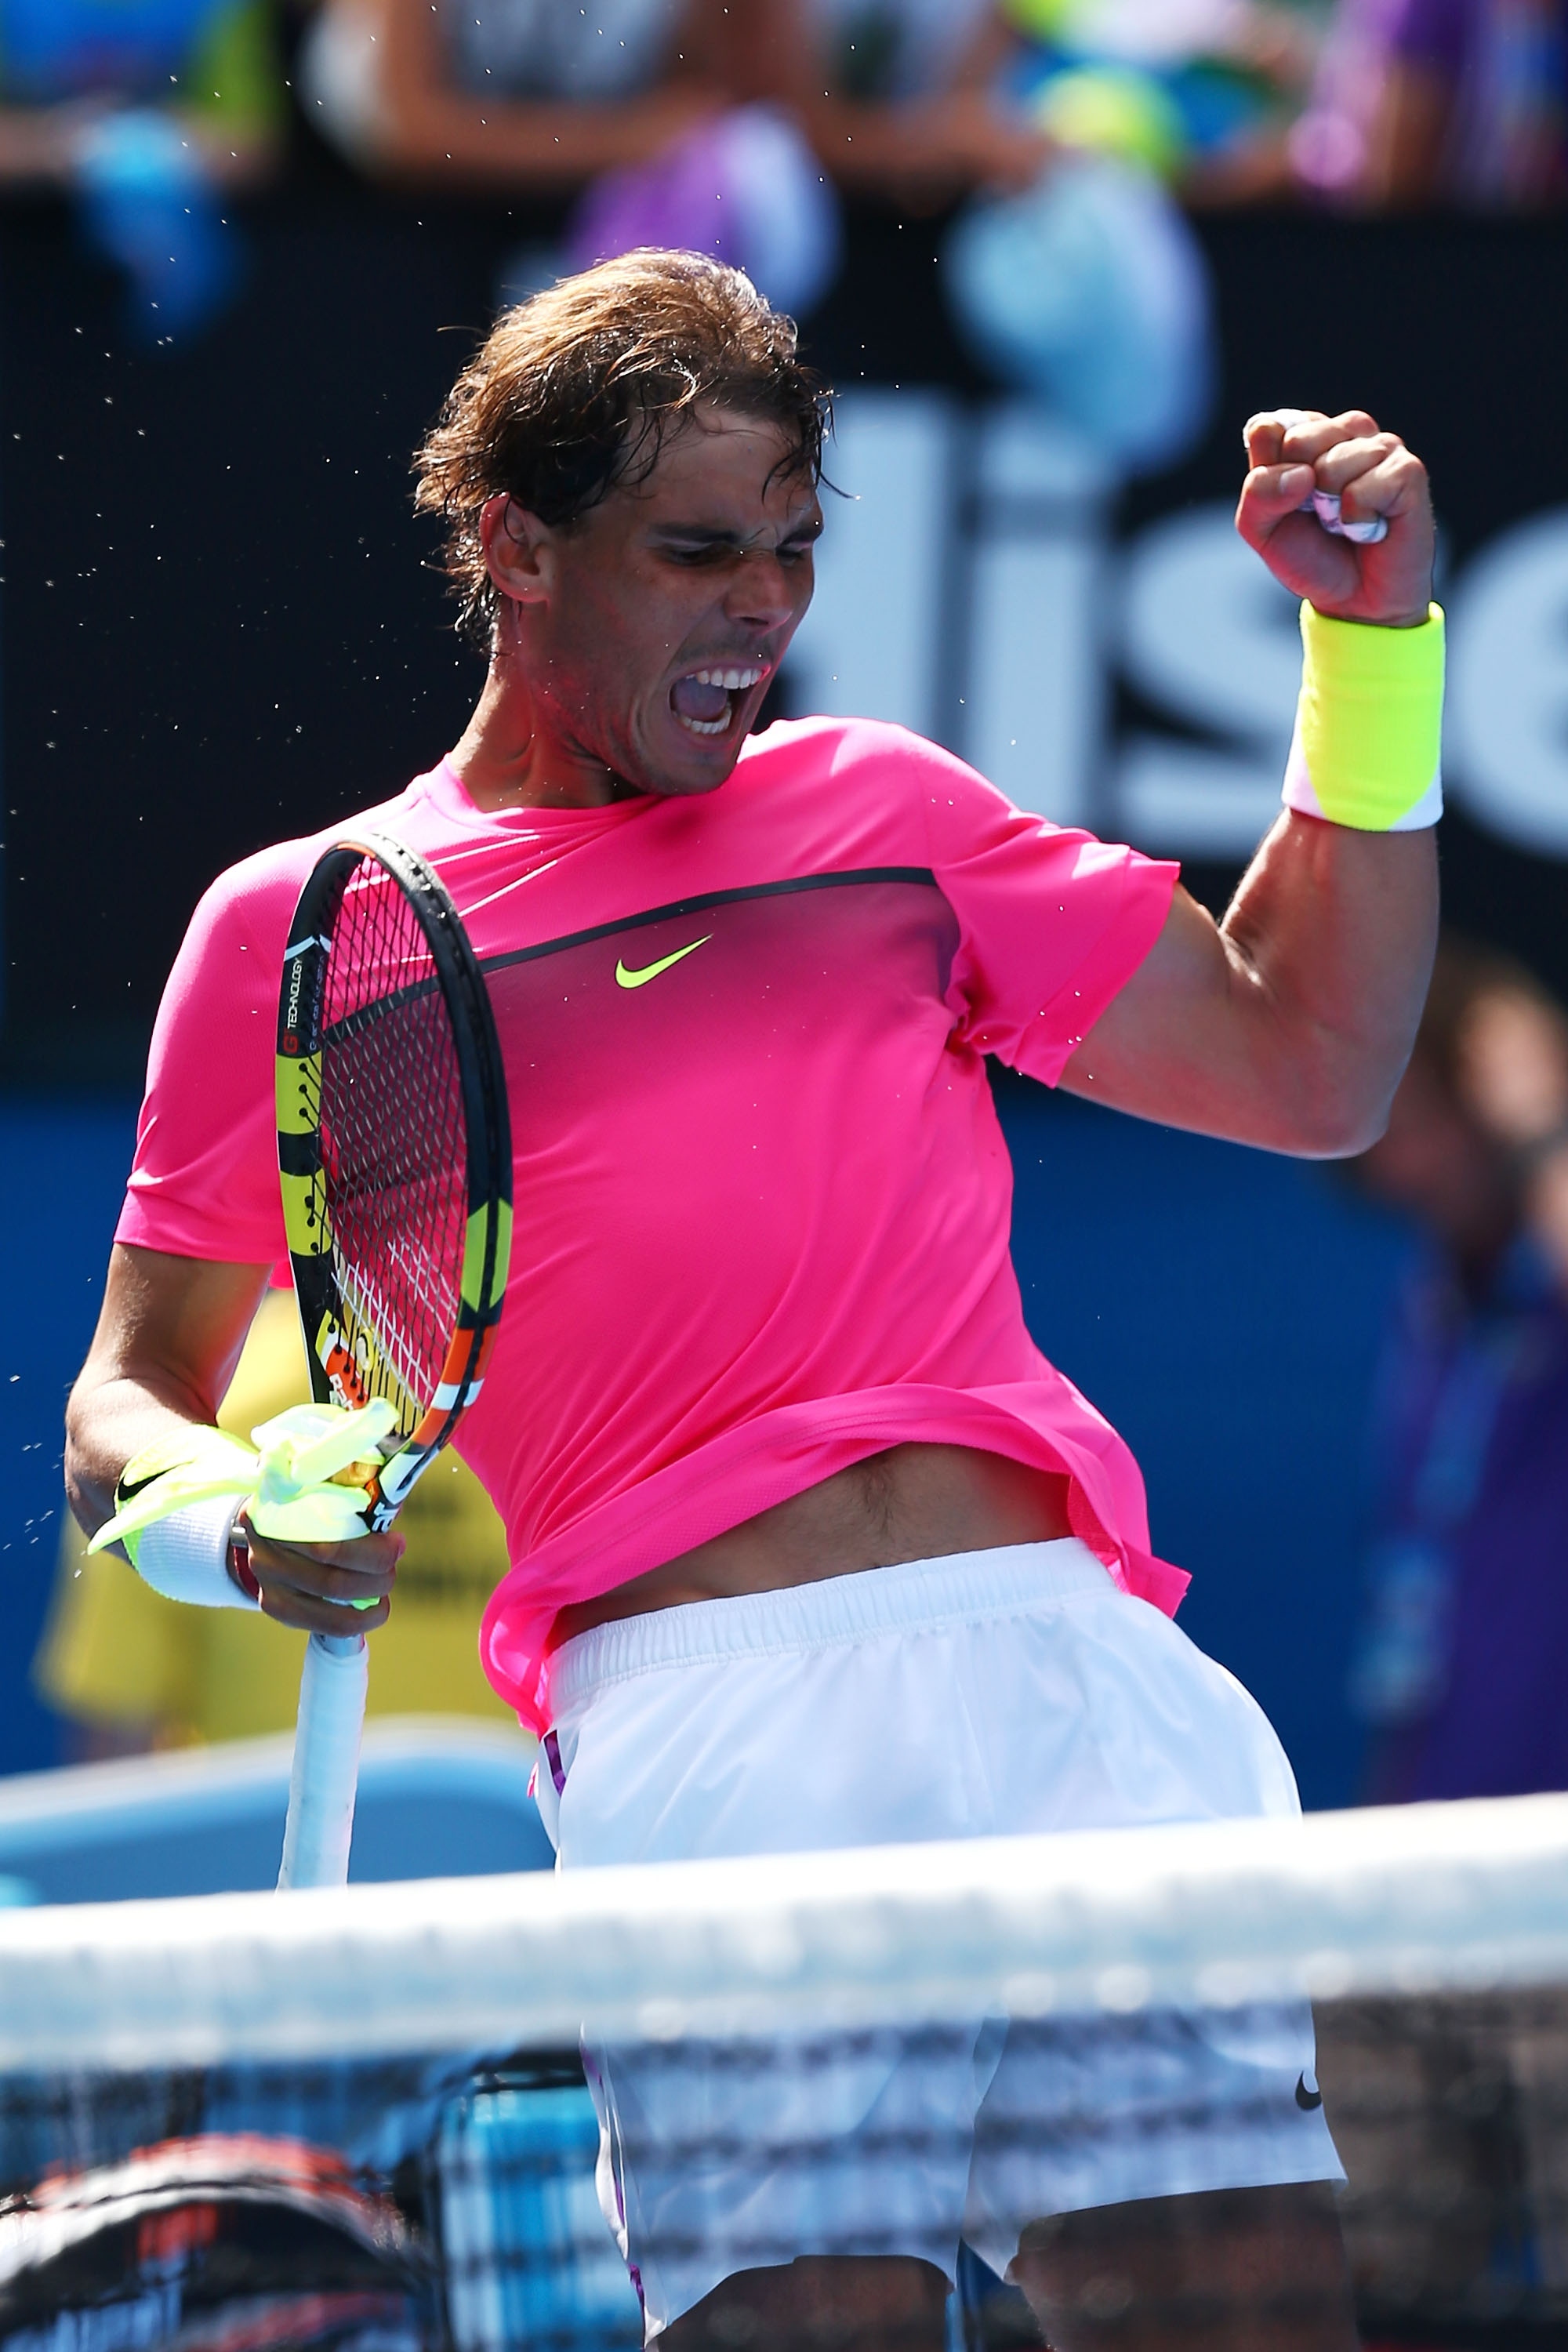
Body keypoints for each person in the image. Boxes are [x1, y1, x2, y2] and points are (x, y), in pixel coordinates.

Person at [65, 251, 1441, 2350]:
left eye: (794, 553)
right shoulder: (306, 927)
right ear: (517, 546)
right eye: (696, 552)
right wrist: (226, 1523)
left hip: (1068, 1674)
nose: (762, 614)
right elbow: (122, 1413)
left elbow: (1310, 1061)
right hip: (709, 1733)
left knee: (1237, 2308)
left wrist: (1370, 655)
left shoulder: (884, 813)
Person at [37, 1288, 514, 1758]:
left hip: (254, 1831)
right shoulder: (547, 1406)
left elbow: (115, 1744)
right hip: (527, 1827)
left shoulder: (174, 1405)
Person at [1348, 938, 1568, 1801]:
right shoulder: (1431, 1304)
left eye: (1419, 1124)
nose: (1392, 1167)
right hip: (1446, 1798)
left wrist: (1541, 1130)